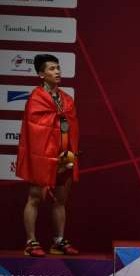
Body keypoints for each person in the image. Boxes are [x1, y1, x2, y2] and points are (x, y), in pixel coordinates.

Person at [16, 54, 79, 257]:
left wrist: (69, 153)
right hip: (43, 155)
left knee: (61, 198)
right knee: (35, 197)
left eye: (58, 67)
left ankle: (58, 241)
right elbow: (34, 131)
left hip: (65, 154)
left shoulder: (66, 99)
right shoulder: (36, 99)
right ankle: (30, 241)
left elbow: (71, 127)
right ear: (42, 74)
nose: (57, 71)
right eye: (52, 69)